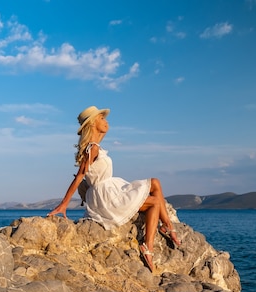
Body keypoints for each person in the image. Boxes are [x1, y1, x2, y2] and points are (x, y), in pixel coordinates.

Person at [47, 106, 181, 272]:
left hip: (109, 189)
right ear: (93, 123)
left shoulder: (94, 146)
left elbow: (97, 141)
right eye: (102, 118)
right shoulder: (92, 148)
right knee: (154, 202)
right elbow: (80, 176)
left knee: (155, 182)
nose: (106, 121)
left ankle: (167, 226)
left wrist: (100, 129)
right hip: (106, 196)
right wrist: (64, 203)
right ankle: (149, 247)